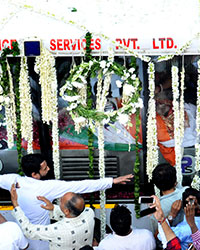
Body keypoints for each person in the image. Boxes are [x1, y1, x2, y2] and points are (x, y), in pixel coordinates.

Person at [0, 153, 133, 250]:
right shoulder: (47, 188)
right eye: (45, 169)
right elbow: (81, 185)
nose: (49, 169)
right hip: (41, 240)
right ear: (34, 174)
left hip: (20, 237)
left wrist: (52, 208)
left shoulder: (13, 181)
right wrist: (112, 181)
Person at [11, 183, 95, 250]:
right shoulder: (89, 213)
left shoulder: (58, 230)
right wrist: (54, 208)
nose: (60, 199)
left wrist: (16, 205)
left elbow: (29, 231)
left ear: (66, 211)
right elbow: (73, 217)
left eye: (61, 201)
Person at [150, 163, 187, 233]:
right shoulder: (187, 192)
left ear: (156, 184)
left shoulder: (156, 209)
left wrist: (171, 216)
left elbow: (156, 235)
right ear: (175, 180)